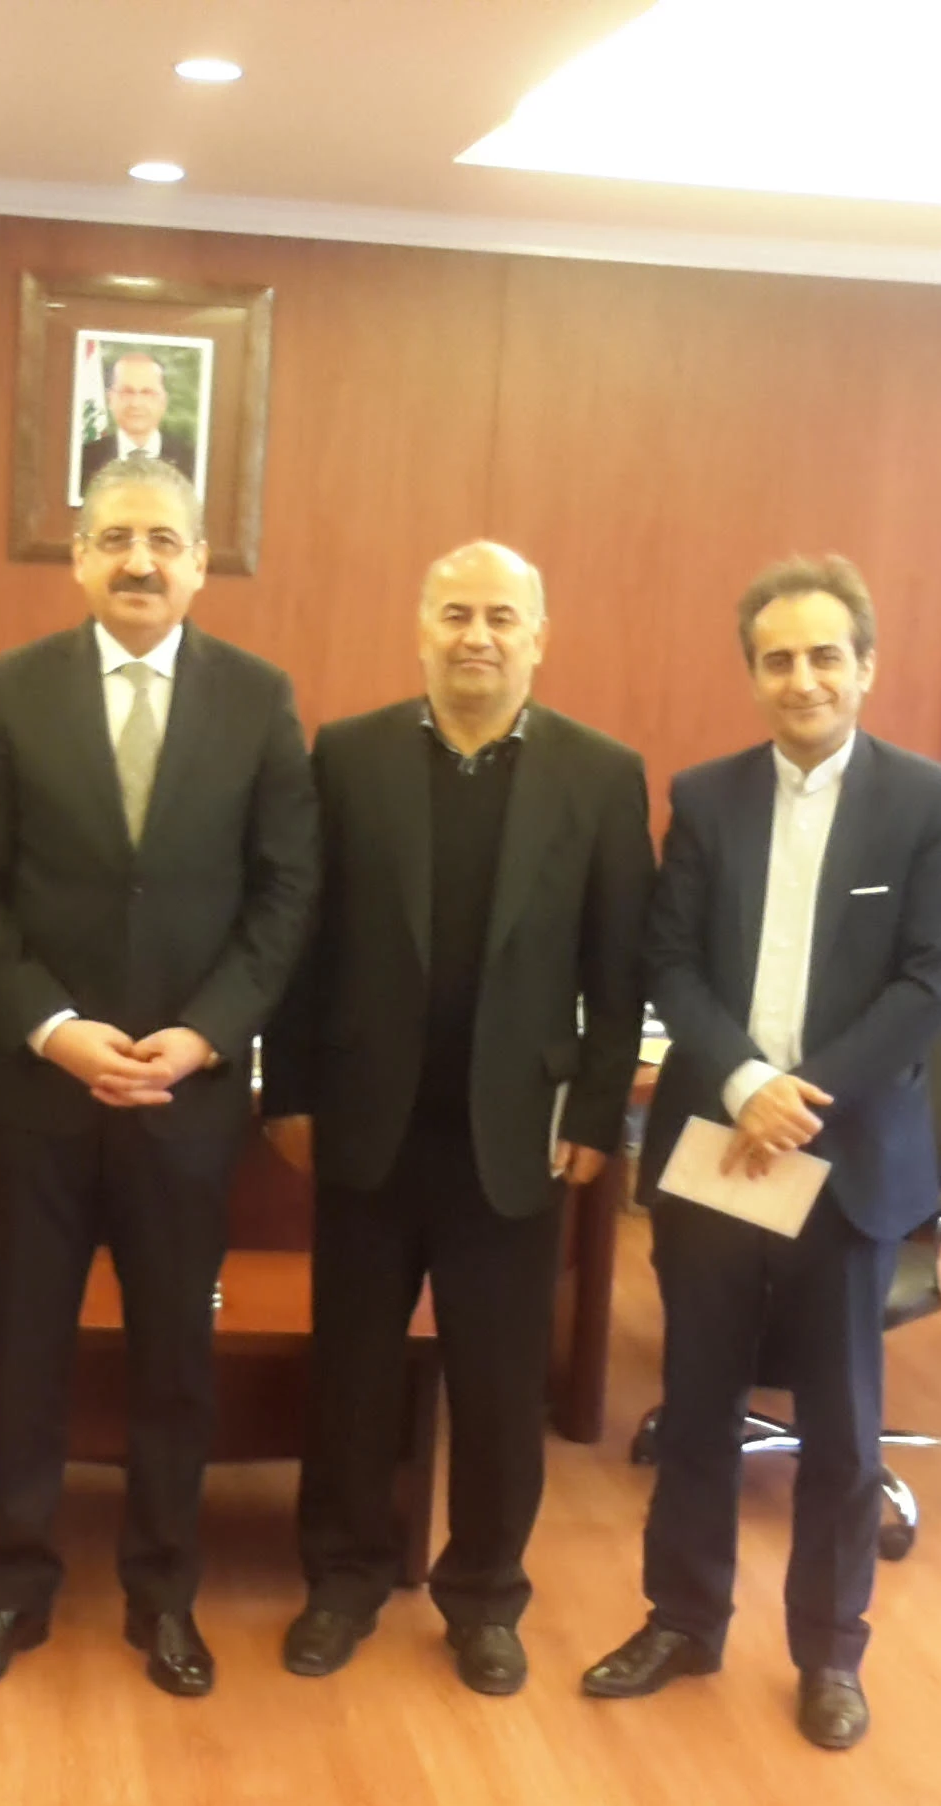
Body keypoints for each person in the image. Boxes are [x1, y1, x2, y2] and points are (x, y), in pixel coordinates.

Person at [0, 454, 320, 1698]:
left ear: (200, 562)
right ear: (80, 559)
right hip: (39, 1095)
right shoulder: (15, 688)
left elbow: (287, 892)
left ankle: (165, 1595)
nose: (139, 561)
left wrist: (207, 1034)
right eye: (114, 539)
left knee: (175, 1364)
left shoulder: (258, 698)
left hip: (186, 1100)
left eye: (162, 541)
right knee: (25, 1354)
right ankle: (13, 1588)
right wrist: (51, 1026)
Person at [580, 554, 941, 1752]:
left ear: (866, 667)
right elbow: (668, 961)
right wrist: (748, 1085)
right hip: (721, 1144)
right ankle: (683, 1621)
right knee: (696, 1408)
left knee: (842, 1432)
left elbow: (930, 983)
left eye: (824, 656)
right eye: (777, 660)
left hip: (846, 1157)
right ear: (752, 674)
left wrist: (804, 1096)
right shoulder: (706, 798)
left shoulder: (930, 803)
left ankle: (829, 1653)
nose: (802, 679)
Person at [260, 541, 651, 1695]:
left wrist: (599, 1112)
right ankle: (342, 1581)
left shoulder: (601, 773)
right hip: (366, 1127)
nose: (477, 636)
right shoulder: (348, 756)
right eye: (455, 614)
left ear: (539, 638)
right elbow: (303, 941)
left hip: (517, 1136)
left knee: (497, 1388)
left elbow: (619, 966)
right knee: (352, 1376)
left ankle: (484, 1596)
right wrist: (289, 1090)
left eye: (500, 617)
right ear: (420, 630)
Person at [78, 348, 193, 497]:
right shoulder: (83, 461)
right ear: (110, 399)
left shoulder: (192, 461)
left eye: (147, 392)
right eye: (127, 392)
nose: (136, 403)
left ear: (163, 401)